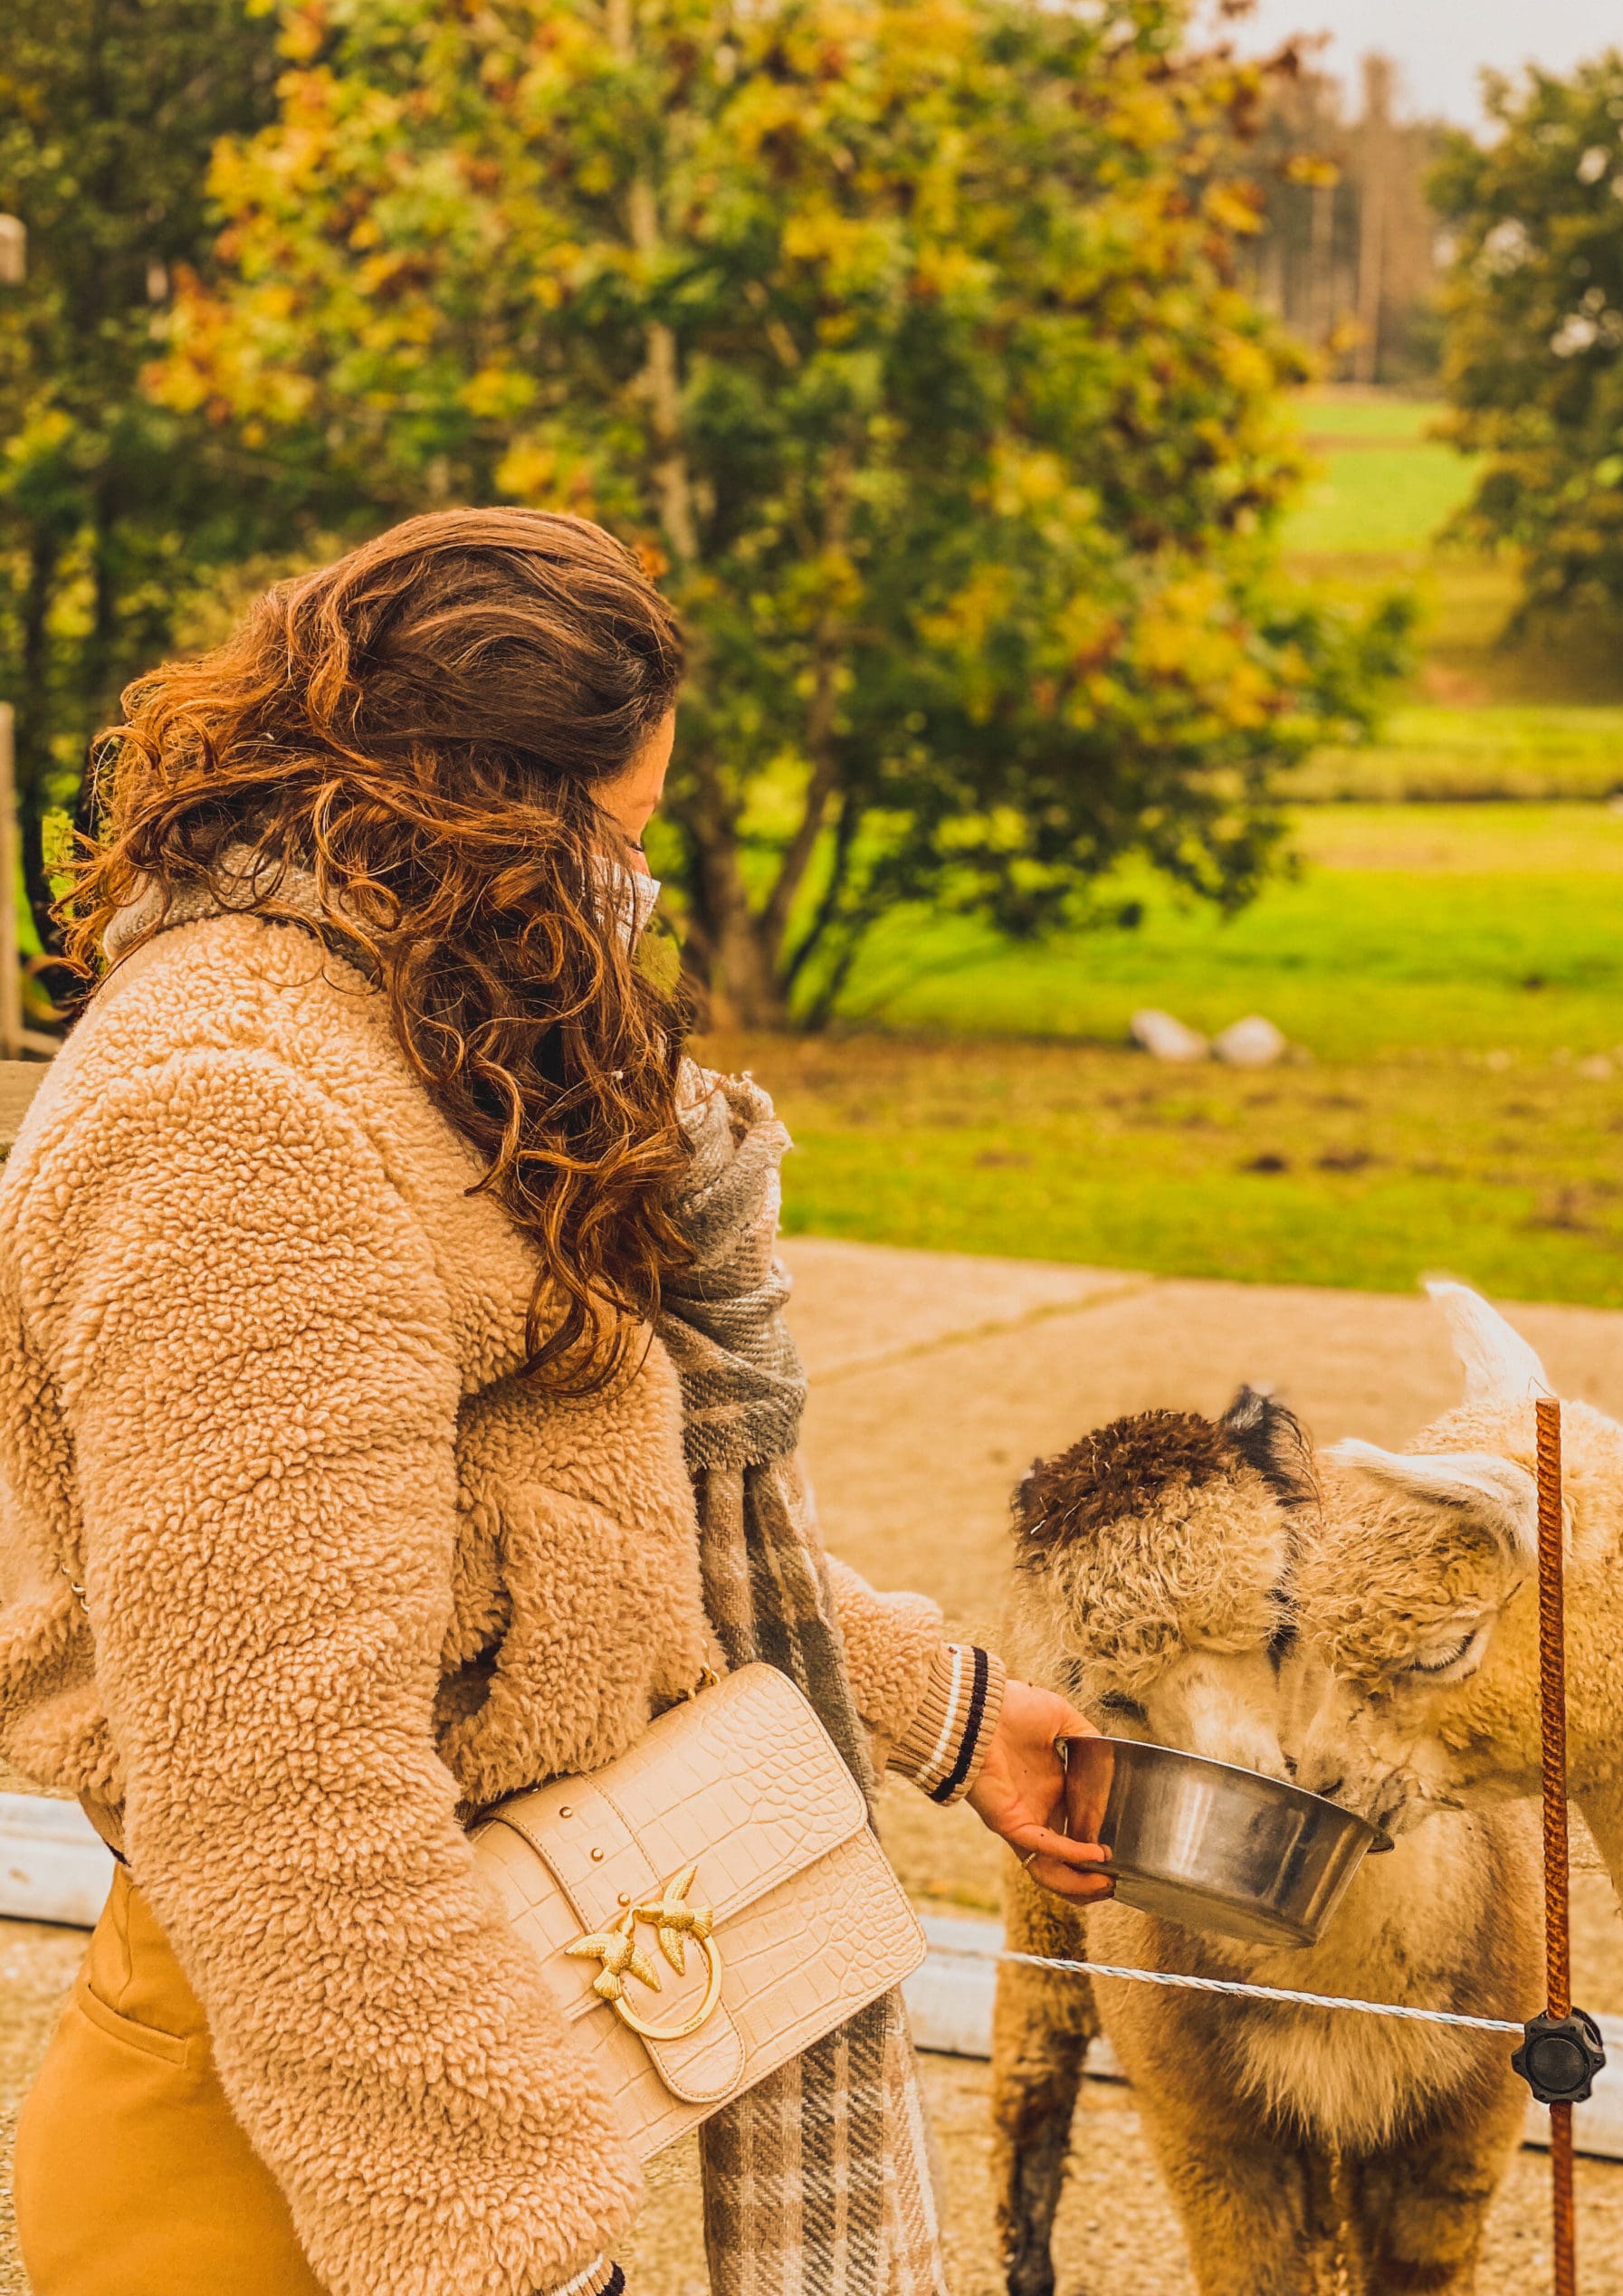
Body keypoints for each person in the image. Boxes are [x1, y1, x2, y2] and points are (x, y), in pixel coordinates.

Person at [0, 510, 1111, 2296]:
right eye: (627, 833)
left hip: (408, 2071)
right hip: (277, 2162)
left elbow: (535, 1537)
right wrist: (500, 2239)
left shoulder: (395, 1028)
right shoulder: (237, 1120)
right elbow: (279, 1792)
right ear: (490, 812)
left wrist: (935, 1704)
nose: (633, 888)